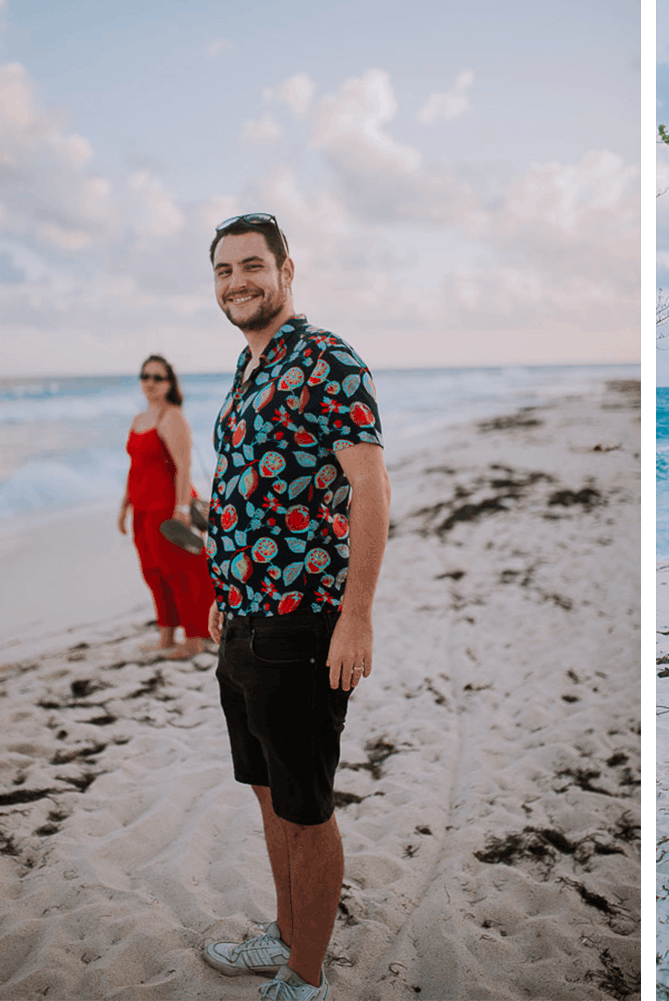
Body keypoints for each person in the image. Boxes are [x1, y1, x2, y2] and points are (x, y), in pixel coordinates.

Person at [197, 213, 390, 1001]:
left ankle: (306, 978)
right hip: (243, 620)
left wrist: (357, 613)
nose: (237, 281)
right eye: (222, 271)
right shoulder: (250, 366)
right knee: (270, 792)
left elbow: (371, 487)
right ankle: (283, 936)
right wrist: (223, 588)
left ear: (286, 271)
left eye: (251, 266)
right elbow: (245, 489)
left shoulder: (327, 361)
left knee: (307, 807)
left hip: (305, 623)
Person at [119, 354, 215, 659]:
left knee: (182, 574)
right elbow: (135, 468)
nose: (150, 383)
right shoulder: (139, 419)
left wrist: (183, 510)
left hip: (168, 509)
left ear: (170, 383)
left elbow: (184, 468)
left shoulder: (172, 417)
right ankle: (166, 638)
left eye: (158, 377)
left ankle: (195, 640)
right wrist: (124, 507)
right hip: (142, 509)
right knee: (153, 573)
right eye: (145, 376)